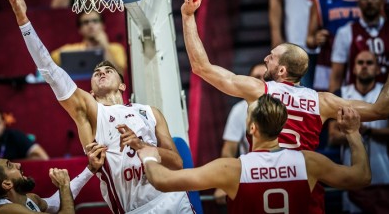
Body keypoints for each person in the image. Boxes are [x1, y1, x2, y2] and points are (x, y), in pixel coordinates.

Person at [181, 0, 389, 214]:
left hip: (261, 182)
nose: (266, 58)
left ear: (281, 70)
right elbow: (381, 110)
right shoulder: (323, 101)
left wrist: (189, 16)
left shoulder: (260, 90)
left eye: (271, 57)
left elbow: (202, 67)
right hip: (304, 188)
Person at [0, 0, 194, 213]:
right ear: (90, 91)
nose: (101, 71)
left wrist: (142, 146)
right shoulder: (91, 112)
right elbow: (49, 69)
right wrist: (23, 20)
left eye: (108, 70)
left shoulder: (151, 112)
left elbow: (177, 163)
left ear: (122, 84)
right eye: (96, 72)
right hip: (136, 209)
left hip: (174, 200)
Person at [137, 94, 371, 214]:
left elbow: (163, 181)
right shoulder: (309, 162)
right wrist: (352, 133)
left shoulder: (232, 169)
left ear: (252, 128)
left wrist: (147, 153)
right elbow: (361, 177)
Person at [329, 50, 389, 213]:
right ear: (353, 69)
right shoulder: (340, 95)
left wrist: (367, 130)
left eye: (369, 63)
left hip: (384, 176)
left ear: (378, 69)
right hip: (351, 179)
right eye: (360, 63)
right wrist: (353, 131)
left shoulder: (385, 96)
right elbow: (333, 137)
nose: (364, 67)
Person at [0, 151, 102, 214]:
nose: (18, 164)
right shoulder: (4, 210)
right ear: (7, 184)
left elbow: (56, 203)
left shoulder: (30, 199)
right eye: (9, 165)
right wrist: (64, 186)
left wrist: (90, 169)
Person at [306, 0, 361, 91]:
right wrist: (316, 39)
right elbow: (309, 40)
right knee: (327, 107)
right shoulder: (321, 0)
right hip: (328, 63)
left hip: (361, 62)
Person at [213, 62, 266, 205]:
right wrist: (223, 183)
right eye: (256, 77)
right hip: (250, 173)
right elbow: (228, 151)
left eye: (265, 77)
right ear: (248, 81)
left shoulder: (285, 106)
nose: (261, 81)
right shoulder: (239, 110)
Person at [329, 0, 389, 92]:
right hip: (353, 102)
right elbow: (336, 76)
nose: (369, 1)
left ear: (382, 2)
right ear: (358, 2)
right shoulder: (345, 32)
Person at [50, 10, 127, 74]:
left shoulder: (116, 48)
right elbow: (50, 60)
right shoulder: (71, 49)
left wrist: (105, 47)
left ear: (103, 25)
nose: (90, 25)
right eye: (86, 22)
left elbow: (119, 74)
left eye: (95, 21)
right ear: (79, 29)